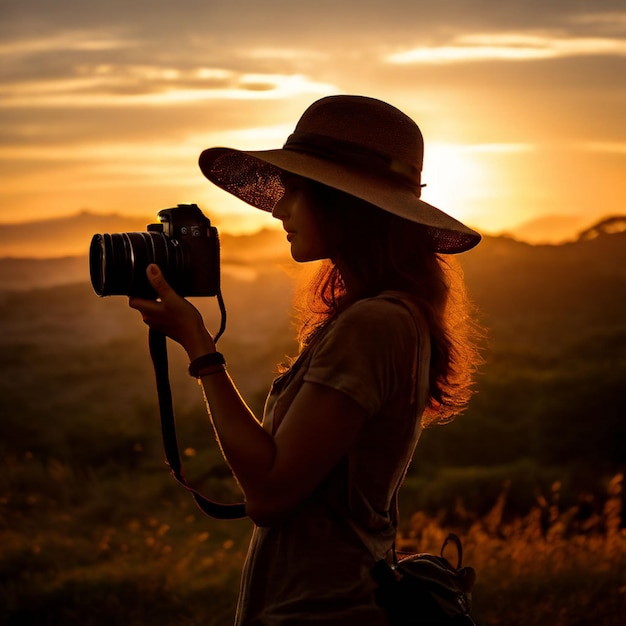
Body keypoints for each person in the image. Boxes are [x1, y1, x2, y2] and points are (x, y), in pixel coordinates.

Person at [129, 95, 482, 625]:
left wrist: (200, 348)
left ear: (345, 202)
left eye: (295, 190)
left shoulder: (374, 324)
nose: (278, 208)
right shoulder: (387, 315)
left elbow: (270, 493)